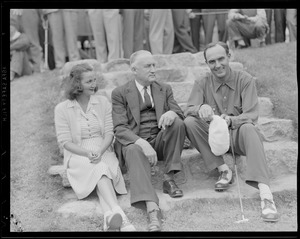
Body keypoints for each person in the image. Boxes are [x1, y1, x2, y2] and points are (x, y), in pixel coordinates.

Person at [184, 41, 279, 222]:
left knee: (250, 128)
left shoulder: (245, 79)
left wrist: (232, 120)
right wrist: (200, 108)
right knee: (189, 122)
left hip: (237, 137)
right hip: (213, 139)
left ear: (230, 56)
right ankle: (224, 170)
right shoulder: (201, 82)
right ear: (207, 63)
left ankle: (266, 196)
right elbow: (188, 109)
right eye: (212, 61)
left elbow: (252, 114)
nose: (217, 65)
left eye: (221, 59)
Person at [54, 63, 136, 231]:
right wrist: (87, 153)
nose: (93, 84)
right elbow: (65, 142)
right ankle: (121, 215)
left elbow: (109, 132)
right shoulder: (62, 108)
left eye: (94, 80)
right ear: (77, 84)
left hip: (103, 148)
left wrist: (100, 150)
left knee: (102, 169)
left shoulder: (102, 102)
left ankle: (109, 216)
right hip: (78, 153)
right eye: (88, 81)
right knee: (99, 168)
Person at [111, 50, 186, 231]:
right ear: (134, 70)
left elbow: (179, 113)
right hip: (135, 145)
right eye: (148, 66)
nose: (153, 69)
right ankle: (152, 207)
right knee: (133, 149)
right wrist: (141, 143)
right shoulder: (120, 93)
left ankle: (169, 178)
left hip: (160, 140)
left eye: (154, 65)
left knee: (177, 124)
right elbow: (120, 129)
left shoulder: (164, 88)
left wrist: (171, 113)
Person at [10, 9, 43, 73]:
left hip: (27, 11)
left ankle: (37, 69)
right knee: (16, 41)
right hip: (12, 13)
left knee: (31, 40)